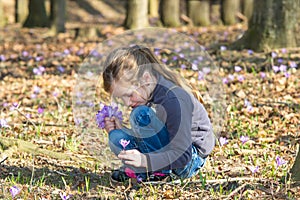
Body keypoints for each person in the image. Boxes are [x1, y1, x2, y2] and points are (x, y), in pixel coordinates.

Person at [102, 45, 215, 186]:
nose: (127, 103)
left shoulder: (174, 100)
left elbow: (183, 156)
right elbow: (153, 136)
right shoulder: (149, 93)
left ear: (146, 78)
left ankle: (158, 172)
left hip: (187, 160)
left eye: (129, 95)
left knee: (140, 115)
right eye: (121, 98)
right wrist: (123, 130)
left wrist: (145, 161)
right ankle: (147, 170)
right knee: (116, 137)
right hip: (167, 149)